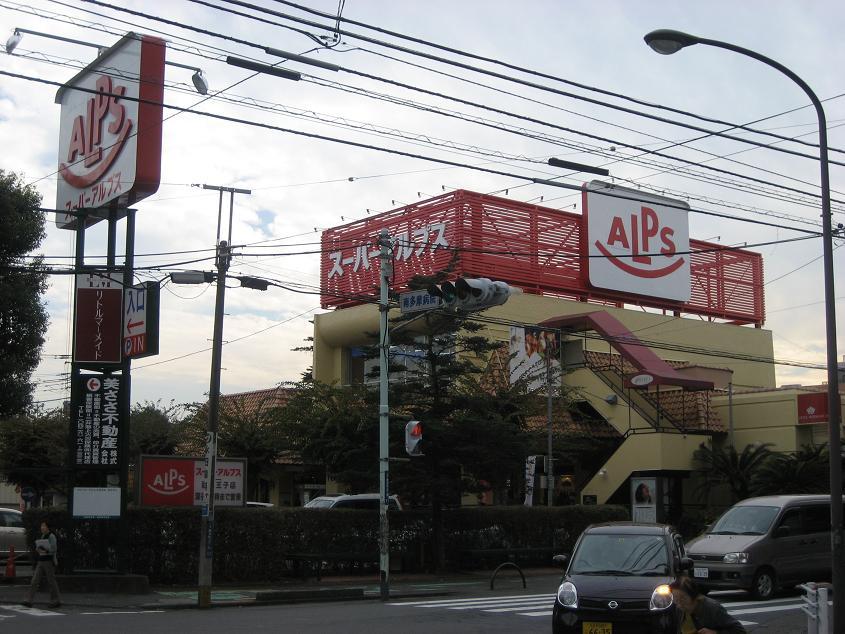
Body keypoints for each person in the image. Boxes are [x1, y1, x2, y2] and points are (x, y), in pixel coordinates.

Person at [670, 576, 745, 634]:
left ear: (694, 596)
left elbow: (739, 630)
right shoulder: (679, 609)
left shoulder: (712, 608)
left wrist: (715, 633)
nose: (679, 605)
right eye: (676, 600)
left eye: (683, 599)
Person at [22, 520, 61, 609]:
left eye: (43, 526)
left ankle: (55, 600)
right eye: (41, 526)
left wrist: (46, 551)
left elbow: (54, 549)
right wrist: (38, 549)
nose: (42, 528)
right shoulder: (43, 536)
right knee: (34, 580)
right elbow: (40, 547)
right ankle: (29, 600)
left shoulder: (51, 536)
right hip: (41, 560)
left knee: (51, 581)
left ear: (48, 527)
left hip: (48, 561)